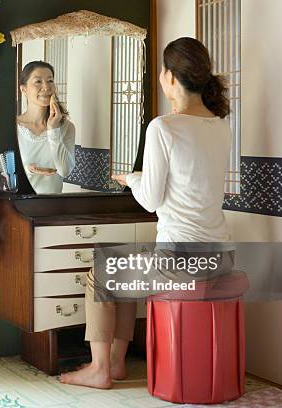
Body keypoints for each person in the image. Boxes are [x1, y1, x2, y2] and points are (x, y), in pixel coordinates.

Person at [59, 37, 234, 389]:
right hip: (220, 256)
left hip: (179, 261)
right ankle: (116, 363)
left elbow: (151, 201)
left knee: (101, 272)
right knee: (122, 272)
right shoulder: (221, 126)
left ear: (169, 77)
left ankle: (99, 369)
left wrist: (134, 178)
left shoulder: (164, 127)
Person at [17, 61, 75, 194]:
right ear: (23, 89)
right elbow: (3, 172)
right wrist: (28, 169)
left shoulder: (67, 127)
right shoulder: (13, 127)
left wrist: (53, 130)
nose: (46, 87)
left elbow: (65, 171)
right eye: (38, 81)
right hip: (19, 205)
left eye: (50, 81)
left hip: (52, 207)